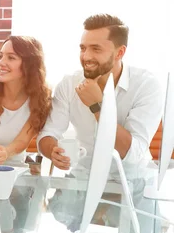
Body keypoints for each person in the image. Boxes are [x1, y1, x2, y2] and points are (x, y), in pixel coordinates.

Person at [38, 14, 164, 170]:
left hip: (132, 181)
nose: (86, 56)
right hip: (82, 177)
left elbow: (133, 154)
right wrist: (53, 151)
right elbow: (49, 133)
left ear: (120, 53)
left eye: (96, 49)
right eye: (83, 48)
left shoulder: (146, 85)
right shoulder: (69, 83)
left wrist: (97, 106)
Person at [0, 35, 52, 165]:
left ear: (30, 65)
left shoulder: (41, 98)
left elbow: (22, 141)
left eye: (11, 58)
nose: (0, 63)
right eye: (0, 56)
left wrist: (6, 152)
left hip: (15, 169)